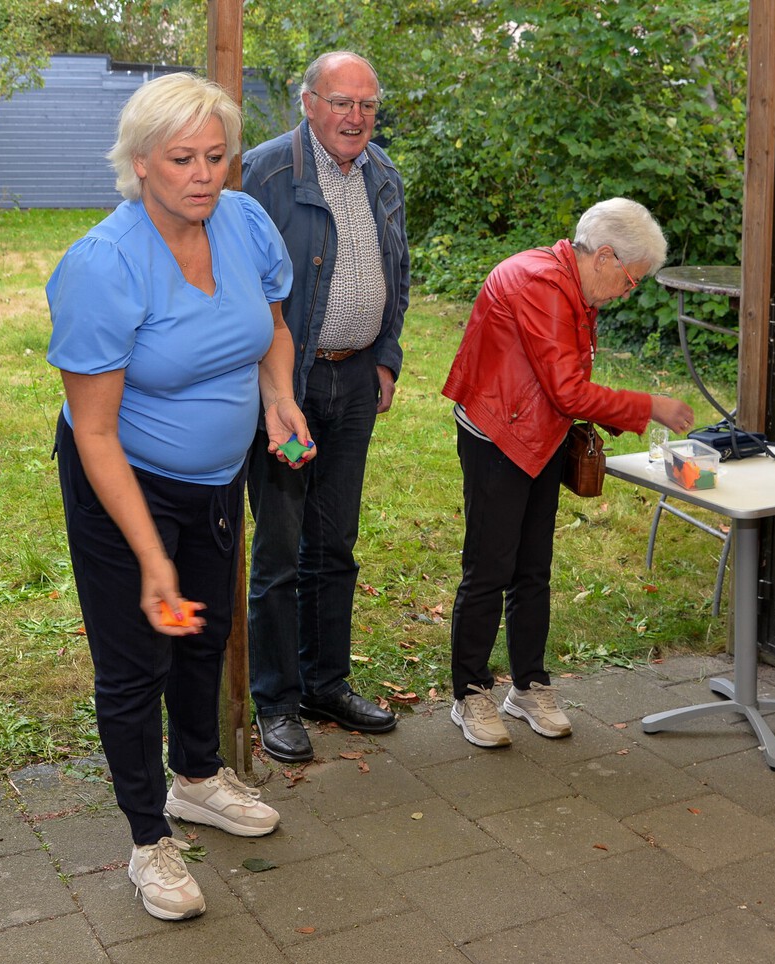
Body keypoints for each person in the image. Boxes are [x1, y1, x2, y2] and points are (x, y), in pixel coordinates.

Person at [46, 73, 312, 921]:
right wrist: (151, 555)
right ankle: (147, 839)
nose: (204, 174)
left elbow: (270, 324)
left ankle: (197, 777)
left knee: (203, 635)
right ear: (138, 163)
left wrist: (280, 397)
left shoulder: (243, 221)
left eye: (215, 155)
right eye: (181, 158)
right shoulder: (102, 266)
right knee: (136, 662)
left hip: (216, 478)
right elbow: (94, 432)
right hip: (122, 481)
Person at [442, 198, 695, 747]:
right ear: (604, 256)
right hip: (497, 433)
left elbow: (559, 385)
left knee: (533, 566)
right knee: (489, 568)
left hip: (539, 432)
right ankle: (470, 693)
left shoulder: (572, 282)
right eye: (630, 280)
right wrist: (649, 405)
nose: (629, 291)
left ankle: (528, 684)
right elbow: (568, 388)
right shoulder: (541, 284)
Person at [240, 51, 409, 764]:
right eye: (342, 102)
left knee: (334, 542)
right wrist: (269, 385)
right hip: (289, 384)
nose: (356, 118)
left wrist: (387, 354)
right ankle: (276, 699)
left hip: (355, 381)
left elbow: (398, 270)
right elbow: (238, 282)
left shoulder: (383, 173)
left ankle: (325, 681)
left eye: (367, 105)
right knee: (280, 547)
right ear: (306, 103)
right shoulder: (265, 173)